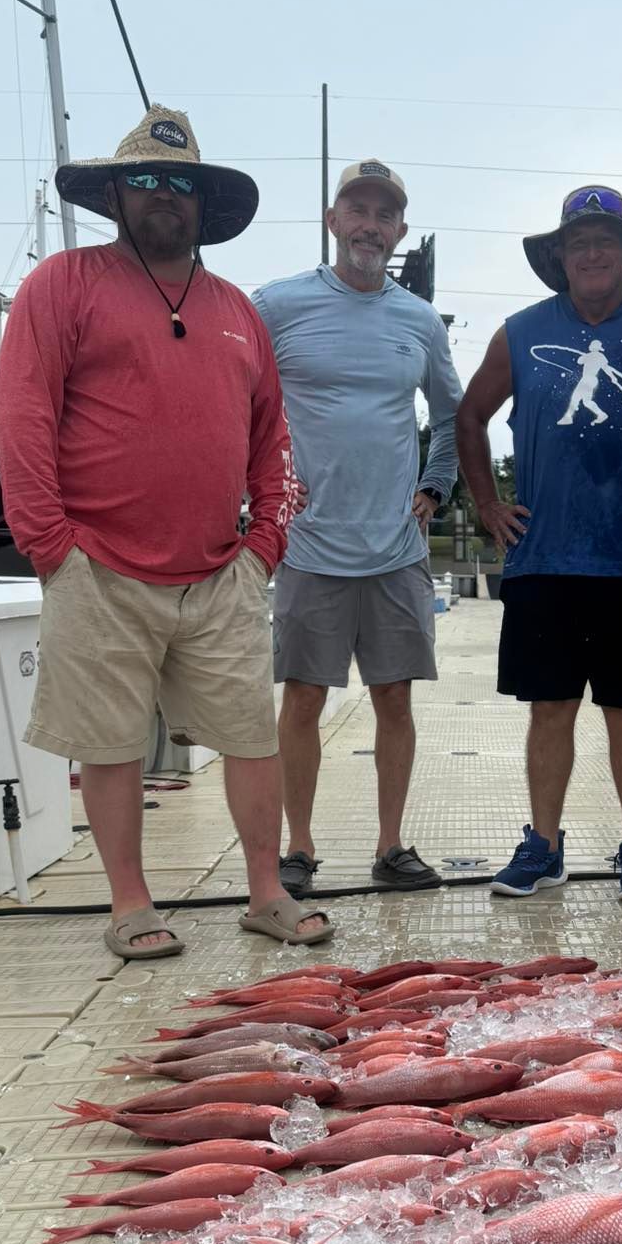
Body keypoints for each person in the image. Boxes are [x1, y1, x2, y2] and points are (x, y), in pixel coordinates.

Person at [0, 106, 326, 961]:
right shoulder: (61, 284)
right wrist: (50, 547)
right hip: (94, 565)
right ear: (115, 193)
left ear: (203, 203)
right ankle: (130, 904)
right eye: (144, 179)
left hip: (221, 572)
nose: (163, 196)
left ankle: (265, 892)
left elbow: (272, 438)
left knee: (252, 735)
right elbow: (22, 417)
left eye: (181, 183)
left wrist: (264, 549)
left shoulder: (237, 310)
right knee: (109, 746)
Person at [456, 187, 622, 899]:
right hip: (543, 556)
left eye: (605, 241)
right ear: (558, 256)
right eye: (577, 242)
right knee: (550, 707)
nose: (591, 253)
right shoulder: (519, 331)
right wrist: (488, 503)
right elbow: (469, 417)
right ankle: (544, 844)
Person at [253, 161, 460, 899]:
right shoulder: (276, 305)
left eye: (385, 215)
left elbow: (452, 414)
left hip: (397, 549)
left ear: (399, 232)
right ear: (332, 219)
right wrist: (265, 484)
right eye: (358, 209)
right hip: (308, 546)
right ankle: (298, 849)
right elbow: (239, 398)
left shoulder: (420, 320)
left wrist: (436, 485)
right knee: (302, 698)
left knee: (394, 699)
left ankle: (391, 844)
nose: (371, 225)